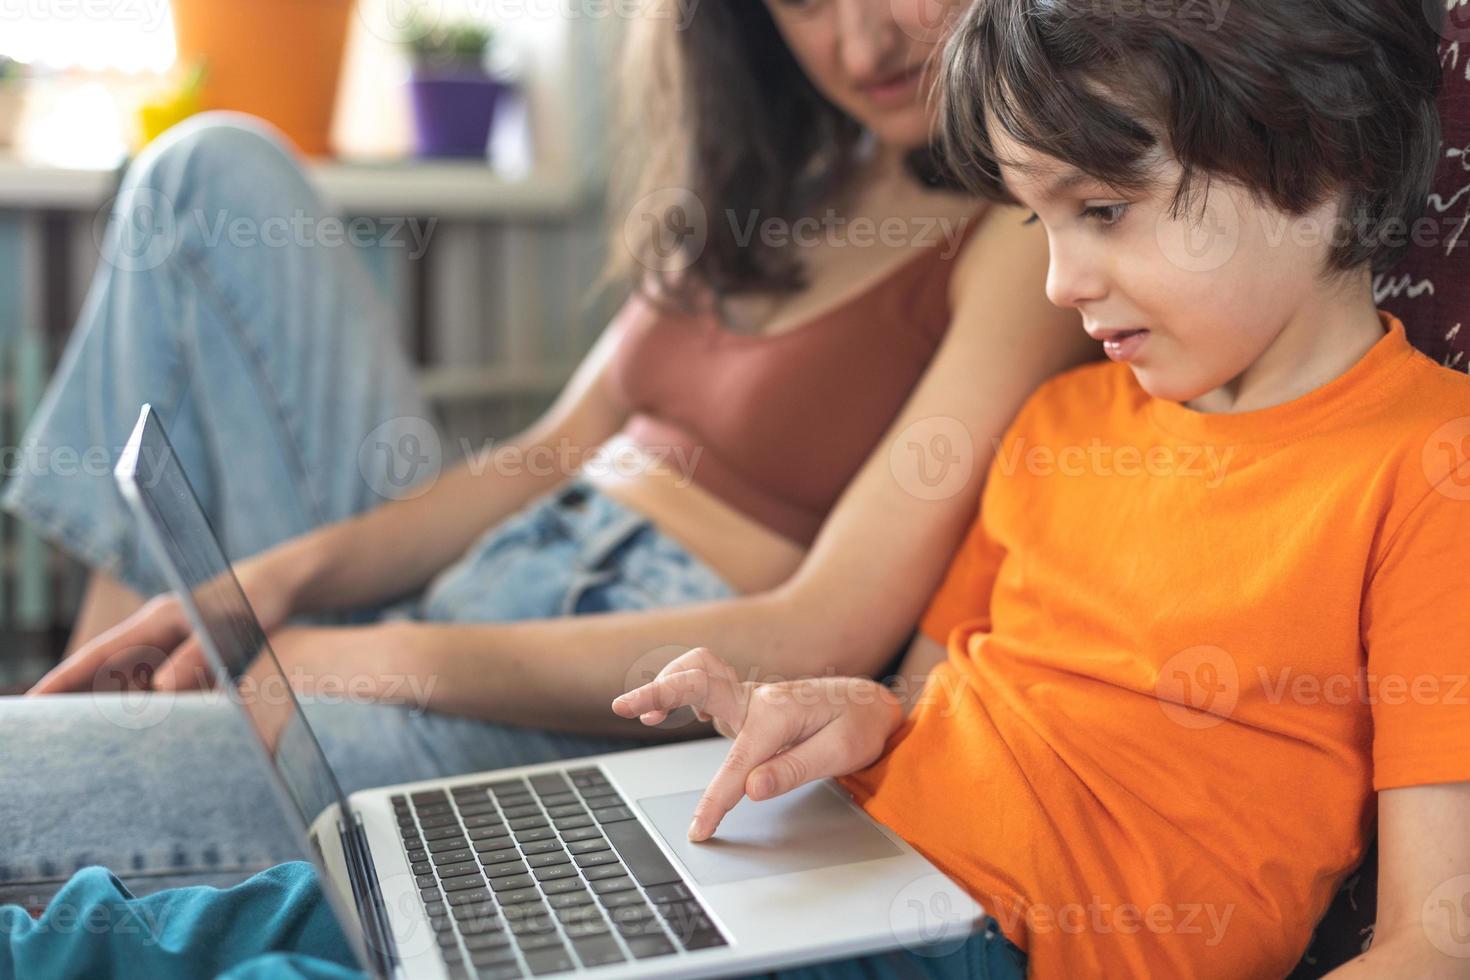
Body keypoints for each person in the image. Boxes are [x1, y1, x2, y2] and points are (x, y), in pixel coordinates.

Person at [6, 0, 1468, 976]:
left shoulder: (1422, 468)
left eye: (1097, 212)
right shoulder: (1066, 424)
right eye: (1036, 217)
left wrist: (346, 656)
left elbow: (1434, 929)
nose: (1060, 274)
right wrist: (852, 715)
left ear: (1324, 156)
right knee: (289, 919)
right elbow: (918, 691)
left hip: (958, 927)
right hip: (808, 848)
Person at [0, 1, 1092, 906]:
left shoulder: (1018, 232)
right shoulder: (778, 188)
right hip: (472, 591)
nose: (861, 44)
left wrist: (387, 657)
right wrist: (267, 585)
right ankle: (132, 718)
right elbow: (543, 454)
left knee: (18, 791)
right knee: (206, 169)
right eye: (806, 1)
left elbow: (819, 626)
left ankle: (117, 801)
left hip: (579, 701)